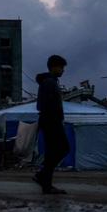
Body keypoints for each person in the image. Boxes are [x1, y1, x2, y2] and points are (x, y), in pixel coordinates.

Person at [34, 54, 69, 195]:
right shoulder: (49, 83)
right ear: (54, 67)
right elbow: (46, 105)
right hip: (51, 121)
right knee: (62, 148)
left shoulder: (50, 81)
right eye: (61, 67)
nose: (63, 70)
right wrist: (55, 119)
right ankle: (43, 178)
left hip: (49, 121)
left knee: (53, 152)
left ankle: (45, 181)